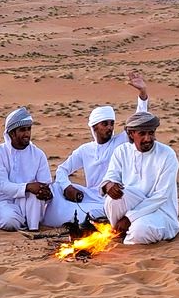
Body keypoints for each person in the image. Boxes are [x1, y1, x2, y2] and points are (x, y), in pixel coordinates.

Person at [42, 71, 149, 227]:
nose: (110, 127)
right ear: (94, 127)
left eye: (111, 123)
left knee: (98, 211)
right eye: (105, 124)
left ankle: (94, 218)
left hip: (113, 196)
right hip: (90, 196)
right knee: (56, 187)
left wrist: (142, 93)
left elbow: (139, 121)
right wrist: (67, 188)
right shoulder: (85, 150)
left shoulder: (121, 141)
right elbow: (62, 170)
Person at [100, 111, 179, 245]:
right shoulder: (122, 151)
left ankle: (126, 239)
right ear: (131, 134)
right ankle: (119, 232)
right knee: (113, 198)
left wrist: (129, 218)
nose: (148, 138)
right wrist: (109, 186)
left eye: (151, 133)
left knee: (140, 230)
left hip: (160, 211)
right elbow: (111, 176)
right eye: (142, 134)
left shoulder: (167, 155)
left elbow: (161, 196)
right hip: (134, 203)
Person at [0, 106, 53, 232]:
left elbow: (45, 183)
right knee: (10, 222)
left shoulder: (38, 154)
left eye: (29, 129)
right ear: (12, 133)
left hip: (31, 202)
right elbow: (2, 185)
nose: (27, 134)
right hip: (5, 200)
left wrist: (45, 192)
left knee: (37, 197)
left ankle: (33, 228)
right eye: (22, 130)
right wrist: (27, 187)